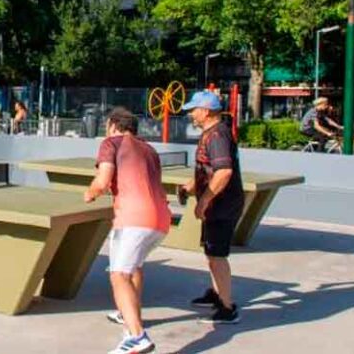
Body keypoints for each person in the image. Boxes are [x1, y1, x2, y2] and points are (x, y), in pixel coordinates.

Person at [84, 107, 170, 354]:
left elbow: (102, 181)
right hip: (161, 220)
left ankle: (136, 337)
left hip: (133, 219)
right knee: (134, 268)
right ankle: (128, 315)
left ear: (113, 125)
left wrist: (89, 193)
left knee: (119, 274)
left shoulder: (110, 143)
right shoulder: (150, 149)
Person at [179, 90, 243, 324]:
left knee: (217, 256)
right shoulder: (213, 133)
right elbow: (210, 171)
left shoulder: (216, 136)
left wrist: (204, 200)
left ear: (205, 112)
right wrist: (190, 187)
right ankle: (216, 294)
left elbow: (224, 171)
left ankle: (227, 308)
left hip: (221, 206)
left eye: (194, 110)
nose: (191, 115)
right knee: (211, 253)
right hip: (219, 205)